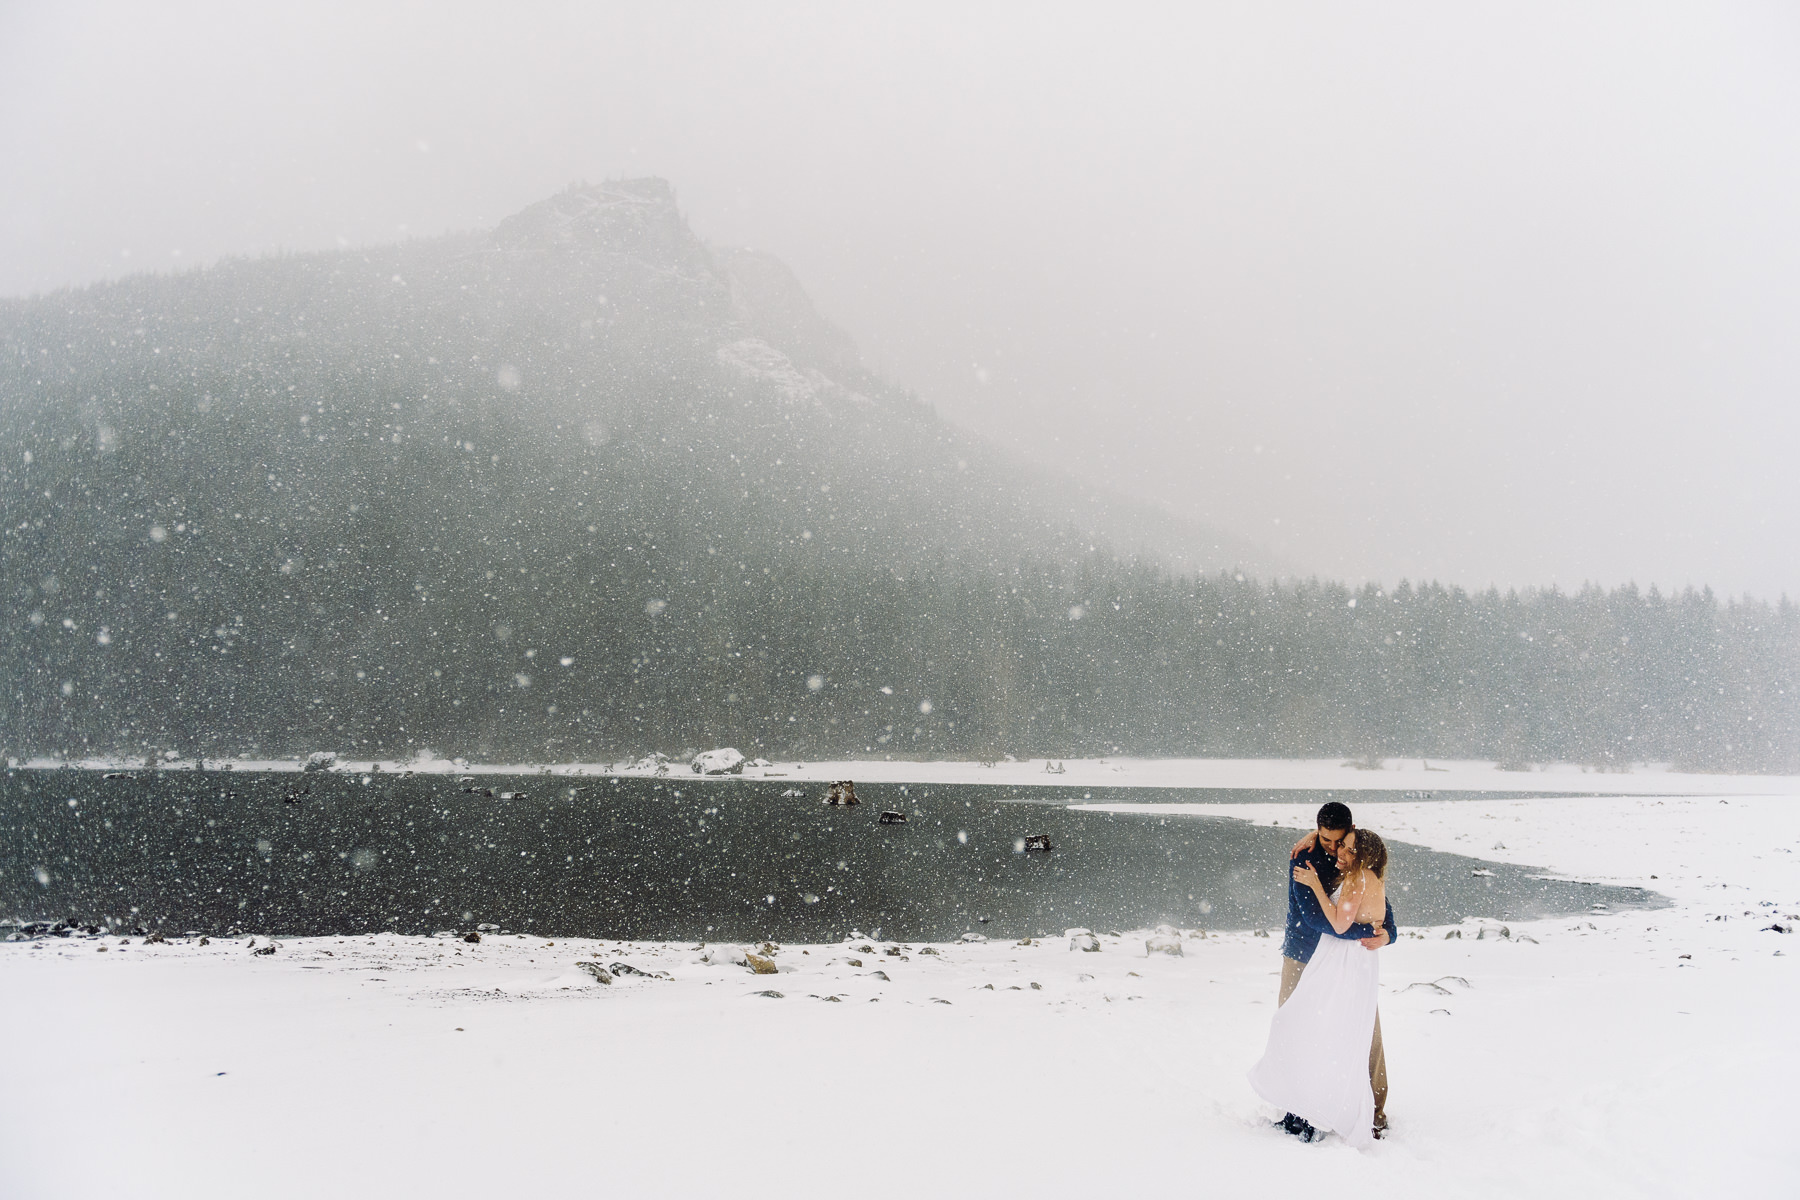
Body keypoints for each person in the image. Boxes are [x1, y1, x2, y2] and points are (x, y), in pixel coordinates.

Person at [1254, 802, 1397, 1143]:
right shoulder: (1304, 857)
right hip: (1304, 954)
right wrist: (1361, 932)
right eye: (1326, 840)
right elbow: (1315, 917)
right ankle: (1298, 1108)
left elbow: (1382, 906)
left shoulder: (1356, 855)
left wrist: (1388, 933)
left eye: (1339, 842)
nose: (1333, 849)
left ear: (1350, 832)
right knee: (1293, 1026)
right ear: (1317, 832)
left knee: (1365, 1032)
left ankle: (1374, 1112)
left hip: (1347, 962)